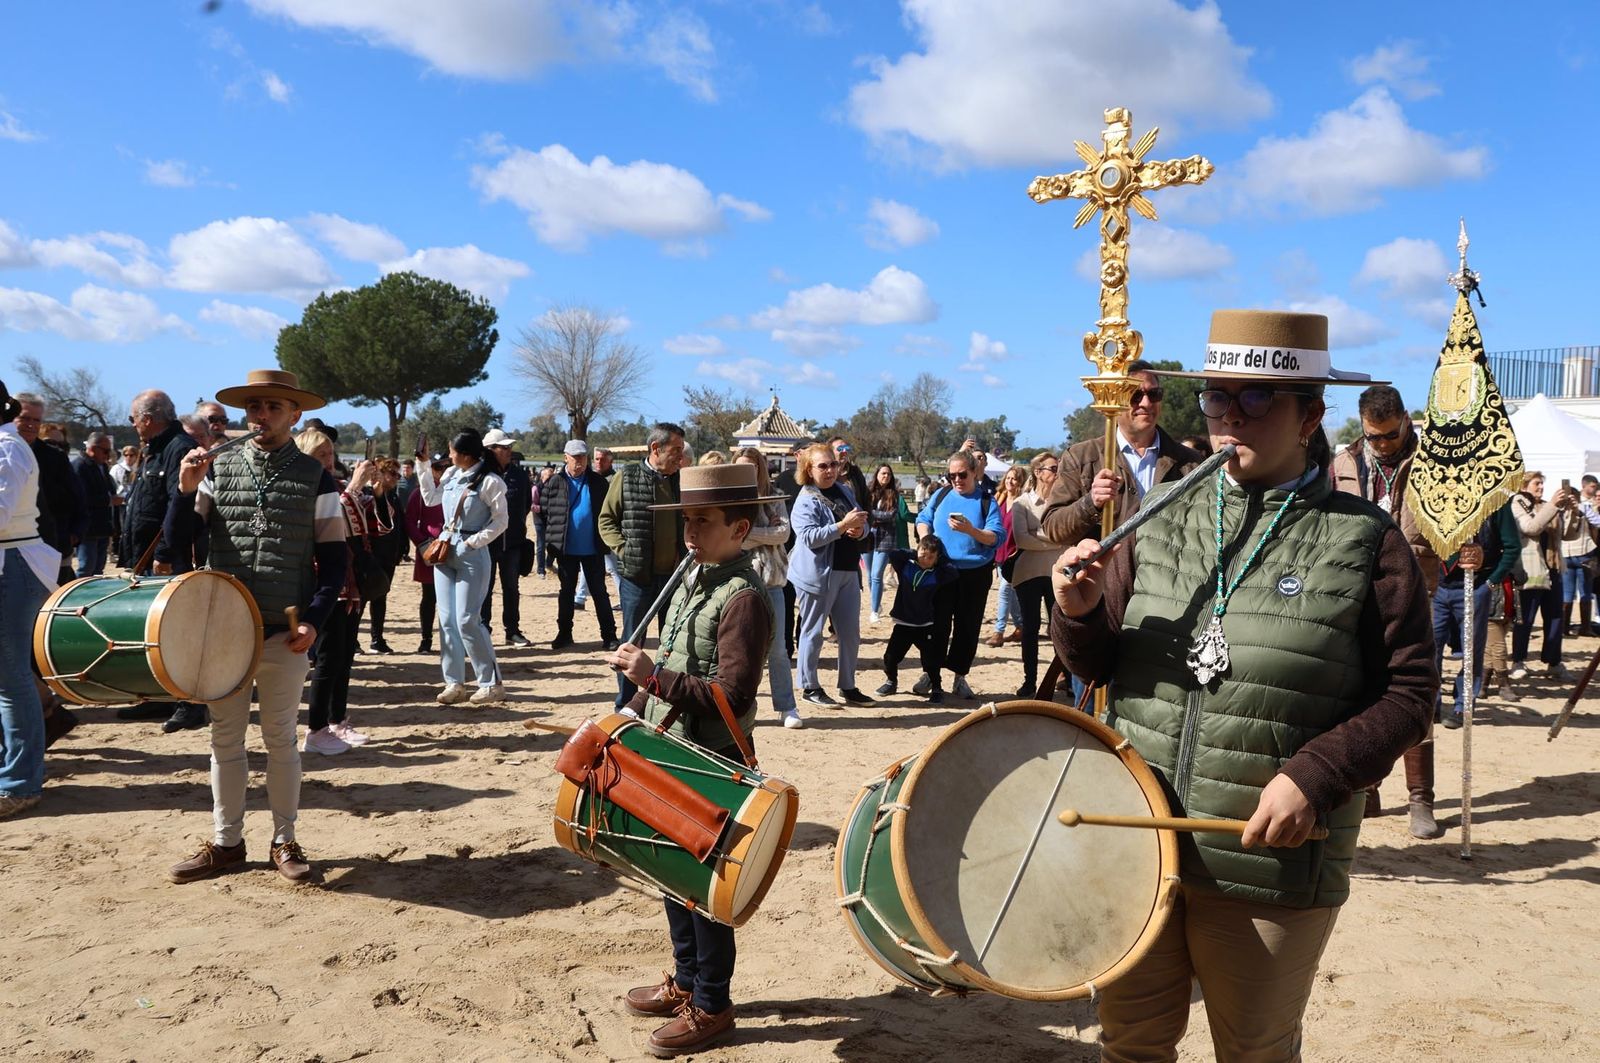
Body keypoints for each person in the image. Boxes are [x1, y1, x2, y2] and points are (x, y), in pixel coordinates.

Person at [1052, 310, 1436, 1060]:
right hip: (1140, 846)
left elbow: (1410, 694)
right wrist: (1078, 611)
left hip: (1271, 863)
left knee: (1254, 1050)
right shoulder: (1157, 518)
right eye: (1218, 398)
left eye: (1257, 399)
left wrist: (1316, 776)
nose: (1231, 416)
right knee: (1129, 1043)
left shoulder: (1365, 539)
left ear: (1310, 416)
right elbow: (1100, 665)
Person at [611, 462, 780, 1057]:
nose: (689, 532)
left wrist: (651, 677)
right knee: (670, 875)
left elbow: (732, 697)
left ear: (739, 529)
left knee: (705, 892)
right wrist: (630, 709)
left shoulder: (745, 599)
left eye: (703, 521)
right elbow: (674, 651)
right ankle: (684, 982)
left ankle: (712, 1004)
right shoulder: (692, 576)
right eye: (685, 519)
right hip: (667, 748)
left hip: (712, 759)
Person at [162, 369, 348, 884]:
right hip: (223, 630)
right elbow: (179, 542)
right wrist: (185, 488)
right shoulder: (217, 470)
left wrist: (314, 620)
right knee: (225, 739)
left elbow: (335, 561)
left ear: (294, 415)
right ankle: (226, 843)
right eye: (254, 408)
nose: (259, 416)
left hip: (285, 632)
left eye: (271, 407)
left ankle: (284, 839)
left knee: (281, 739)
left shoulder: (318, 477)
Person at [1330, 384, 1442, 836]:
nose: (1380, 445)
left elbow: (1457, 527)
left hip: (1417, 595)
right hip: (1356, 593)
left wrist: (1467, 550)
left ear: (1406, 423)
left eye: (1389, 436)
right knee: (1359, 693)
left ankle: (1420, 799)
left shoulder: (1434, 466)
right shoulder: (1342, 464)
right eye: (1372, 436)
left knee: (1417, 694)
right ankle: (1368, 788)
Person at [1043, 360, 1204, 547]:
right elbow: (1053, 528)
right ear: (1116, 398)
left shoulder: (1191, 463)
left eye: (1154, 394)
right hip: (1103, 574)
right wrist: (1091, 503)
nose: (1146, 403)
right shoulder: (1081, 458)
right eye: (1135, 395)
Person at [119, 389, 206, 732]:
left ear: (148, 418)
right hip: (146, 560)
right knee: (152, 633)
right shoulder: (154, 449)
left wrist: (165, 554)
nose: (132, 424)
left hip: (168, 560)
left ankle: (190, 705)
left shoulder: (178, 449)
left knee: (178, 632)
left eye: (133, 418)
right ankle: (158, 697)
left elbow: (179, 505)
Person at [415, 429, 509, 705]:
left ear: (466, 455)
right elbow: (430, 498)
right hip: (445, 550)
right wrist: (422, 465)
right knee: (446, 620)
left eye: (452, 451)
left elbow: (501, 521)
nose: (448, 455)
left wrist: (473, 543)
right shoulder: (452, 474)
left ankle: (491, 683)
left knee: (468, 619)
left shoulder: (491, 482)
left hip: (471, 553)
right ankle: (454, 683)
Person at [599, 423, 687, 708]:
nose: (680, 457)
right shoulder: (627, 477)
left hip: (673, 578)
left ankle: (663, 701)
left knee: (671, 643)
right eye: (675, 451)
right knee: (632, 642)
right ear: (655, 448)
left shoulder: (680, 480)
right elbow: (606, 521)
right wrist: (625, 549)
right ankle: (625, 704)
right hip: (637, 577)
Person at [299, 429, 376, 754]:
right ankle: (316, 728)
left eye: (330, 454)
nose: (328, 461)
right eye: (321, 455)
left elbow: (363, 531)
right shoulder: (304, 488)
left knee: (344, 656)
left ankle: (337, 720)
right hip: (322, 583)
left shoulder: (335, 486)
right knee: (328, 659)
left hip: (348, 581)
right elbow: (332, 525)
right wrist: (355, 488)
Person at [0, 380, 56, 820]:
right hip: (12, 561)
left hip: (13, 563)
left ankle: (20, 781)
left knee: (10, 676)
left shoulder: (8, 448)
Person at [913, 450, 1004, 700]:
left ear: (974, 472)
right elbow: (923, 518)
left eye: (962, 474)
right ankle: (932, 675)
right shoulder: (941, 494)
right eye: (951, 475)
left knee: (967, 628)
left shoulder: (987, 500)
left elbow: (996, 537)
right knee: (937, 626)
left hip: (975, 574)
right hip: (942, 570)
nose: (956, 479)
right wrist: (925, 539)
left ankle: (959, 676)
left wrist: (971, 530)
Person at [788, 442, 874, 707]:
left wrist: (860, 531)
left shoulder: (845, 491)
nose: (830, 470)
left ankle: (847, 686)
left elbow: (864, 523)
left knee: (849, 633)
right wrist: (842, 526)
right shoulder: (805, 499)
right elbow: (810, 538)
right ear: (808, 469)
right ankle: (809, 686)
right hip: (817, 575)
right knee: (812, 633)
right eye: (822, 466)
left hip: (849, 572)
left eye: (833, 464)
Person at [735, 447, 801, 728]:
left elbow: (783, 533)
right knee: (739, 649)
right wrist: (765, 534)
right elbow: (731, 539)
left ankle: (787, 706)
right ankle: (737, 707)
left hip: (772, 581)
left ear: (760, 467)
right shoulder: (731, 497)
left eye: (752, 466)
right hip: (738, 581)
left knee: (778, 649)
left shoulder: (774, 496)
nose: (747, 472)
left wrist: (749, 533)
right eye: (741, 467)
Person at [542, 440, 618, 652]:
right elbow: (543, 513)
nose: (579, 462)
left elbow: (610, 513)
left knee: (599, 592)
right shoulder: (555, 482)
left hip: (594, 549)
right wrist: (550, 542)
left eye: (583, 457)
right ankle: (564, 634)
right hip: (566, 550)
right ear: (566, 457)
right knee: (566, 592)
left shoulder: (599, 483)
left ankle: (609, 636)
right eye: (575, 457)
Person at [1509, 471, 1583, 681]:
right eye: (1536, 484)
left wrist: (1573, 513)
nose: (1541, 488)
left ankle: (1553, 662)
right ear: (1524, 486)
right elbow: (1531, 527)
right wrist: (1554, 505)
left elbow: (1569, 535)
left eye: (1542, 484)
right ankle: (1518, 661)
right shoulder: (1518, 503)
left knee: (1555, 619)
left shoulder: (1548, 505)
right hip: (1530, 571)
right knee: (1525, 619)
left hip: (1554, 569)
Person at [875, 534, 957, 703]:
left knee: (931, 661)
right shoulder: (905, 566)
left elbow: (953, 572)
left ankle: (936, 687)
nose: (926, 559)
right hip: (903, 623)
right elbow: (894, 554)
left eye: (931, 557)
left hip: (924, 625)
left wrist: (939, 560)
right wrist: (914, 553)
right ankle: (891, 681)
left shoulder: (937, 574)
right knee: (890, 657)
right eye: (923, 554)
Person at [16, 394, 86, 587]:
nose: (30, 424)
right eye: (25, 418)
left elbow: (77, 498)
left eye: (36, 420)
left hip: (52, 547)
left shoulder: (55, 457)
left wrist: (75, 533)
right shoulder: (5, 452)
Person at [1007, 452, 1060, 698]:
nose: (1057, 472)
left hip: (1059, 573)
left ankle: (1064, 678)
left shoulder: (1063, 503)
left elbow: (1070, 535)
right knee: (1030, 629)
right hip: (1028, 574)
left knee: (1060, 629)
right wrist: (1055, 542)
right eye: (1052, 468)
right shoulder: (1021, 503)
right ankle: (1030, 680)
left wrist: (1038, 536)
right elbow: (1021, 539)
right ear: (1038, 472)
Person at [479, 429, 533, 647]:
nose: (510, 451)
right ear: (491, 450)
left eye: (510, 447)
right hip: (486, 543)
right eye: (504, 448)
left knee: (511, 587)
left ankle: (512, 631)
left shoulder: (519, 475)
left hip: (513, 543)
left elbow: (526, 505)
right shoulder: (481, 474)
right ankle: (483, 629)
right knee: (485, 588)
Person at [362, 458, 408, 655]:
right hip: (372, 555)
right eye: (394, 474)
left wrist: (402, 549)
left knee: (381, 598)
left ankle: (377, 639)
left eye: (399, 475)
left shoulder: (394, 496)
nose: (397, 479)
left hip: (390, 556)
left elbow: (401, 524)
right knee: (362, 598)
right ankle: (354, 641)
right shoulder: (368, 494)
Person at [405, 454, 450, 654]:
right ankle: (426, 638)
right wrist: (423, 544)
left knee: (450, 598)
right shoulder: (419, 494)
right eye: (438, 468)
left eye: (445, 468)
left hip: (451, 547)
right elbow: (409, 522)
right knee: (429, 597)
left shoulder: (452, 490)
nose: (441, 472)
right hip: (429, 549)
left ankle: (450, 640)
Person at [985, 465, 1030, 647]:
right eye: (1008, 478)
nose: (1010, 481)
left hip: (1015, 554)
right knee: (1012, 594)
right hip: (999, 553)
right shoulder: (999, 499)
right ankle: (1021, 627)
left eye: (1015, 479)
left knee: (1005, 590)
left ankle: (999, 632)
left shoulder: (1023, 503)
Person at [864, 462, 911, 625]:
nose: (886, 476)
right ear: (877, 475)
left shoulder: (895, 495)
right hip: (867, 536)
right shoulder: (867, 492)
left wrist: (873, 515)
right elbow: (865, 512)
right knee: (869, 575)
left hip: (886, 538)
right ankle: (876, 603)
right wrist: (874, 515)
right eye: (883, 473)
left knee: (877, 575)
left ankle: (874, 611)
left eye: (888, 474)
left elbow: (891, 515)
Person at [71, 432, 117, 576]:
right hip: (88, 528)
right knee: (86, 568)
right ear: (92, 449)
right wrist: (108, 501)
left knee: (98, 570)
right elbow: (81, 498)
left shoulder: (101, 466)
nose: (108, 455)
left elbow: (109, 489)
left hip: (102, 525)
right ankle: (80, 597)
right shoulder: (79, 466)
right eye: (105, 451)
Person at [110, 443, 139, 565]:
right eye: (125, 455)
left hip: (133, 502)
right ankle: (115, 551)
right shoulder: (117, 468)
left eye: (132, 455)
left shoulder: (138, 468)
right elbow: (112, 485)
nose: (128, 457)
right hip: (120, 502)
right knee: (118, 528)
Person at [829, 437, 871, 513]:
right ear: (830, 452)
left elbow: (866, 498)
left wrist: (867, 519)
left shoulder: (855, 472)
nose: (844, 451)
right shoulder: (826, 473)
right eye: (840, 449)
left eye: (846, 448)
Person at [531, 465, 553, 579]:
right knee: (541, 544)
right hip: (539, 519)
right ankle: (540, 570)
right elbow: (533, 505)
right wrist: (545, 508)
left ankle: (549, 563)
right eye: (548, 477)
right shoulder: (536, 489)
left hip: (551, 519)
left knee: (553, 543)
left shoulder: (554, 488)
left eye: (552, 477)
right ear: (542, 477)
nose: (550, 480)